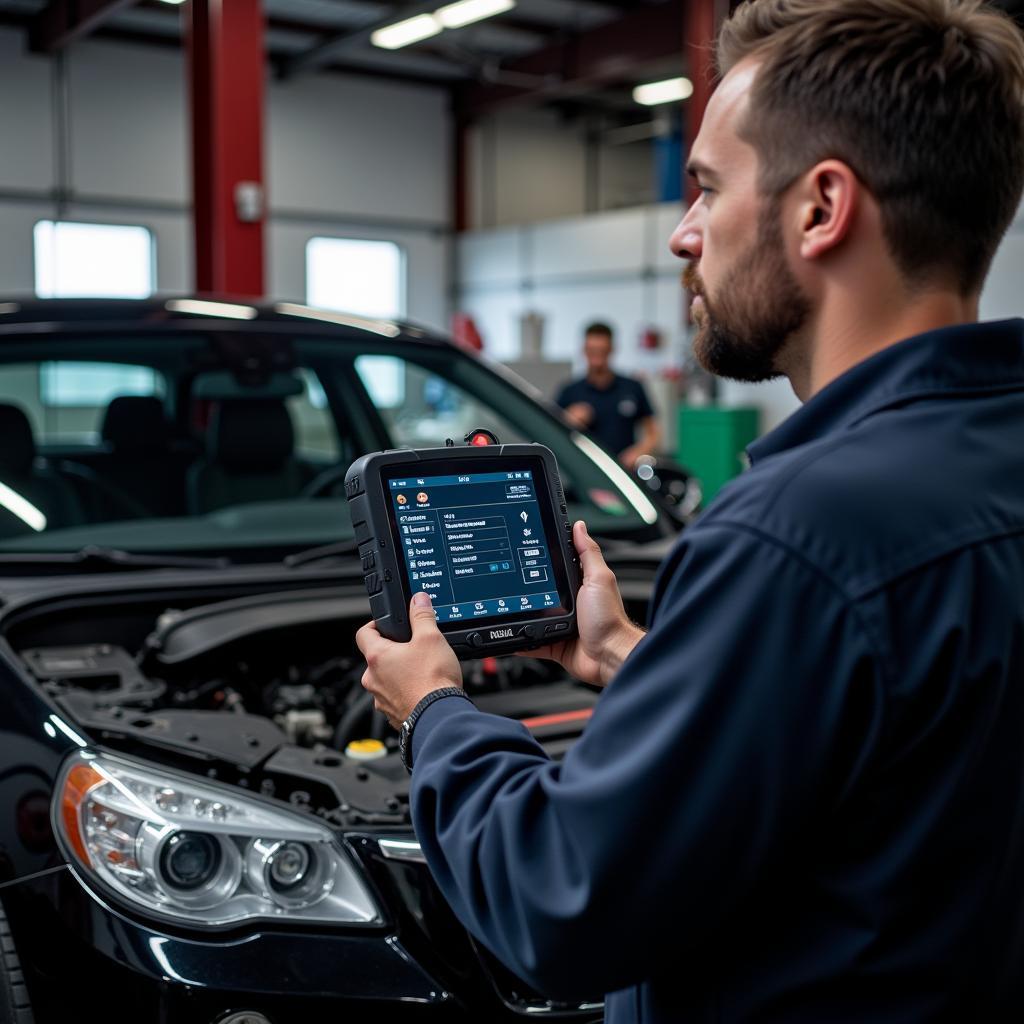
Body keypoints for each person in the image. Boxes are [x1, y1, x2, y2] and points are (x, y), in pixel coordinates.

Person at [356, 0, 1024, 1020]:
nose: (681, 234)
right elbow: (897, 742)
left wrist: (435, 713)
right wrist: (639, 657)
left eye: (707, 188)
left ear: (819, 208)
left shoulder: (799, 532)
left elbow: (560, 902)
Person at [555, 322, 661, 468]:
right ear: (584, 350)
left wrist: (638, 453)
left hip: (624, 472)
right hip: (583, 471)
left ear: (611, 349)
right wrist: (568, 420)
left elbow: (653, 434)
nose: (597, 357)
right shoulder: (570, 391)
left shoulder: (632, 388)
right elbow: (552, 436)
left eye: (602, 351)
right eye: (592, 351)